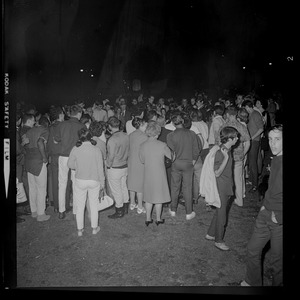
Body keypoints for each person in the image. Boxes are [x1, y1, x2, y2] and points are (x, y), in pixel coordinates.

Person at [241, 124, 282, 286]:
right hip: (266, 213)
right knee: (253, 249)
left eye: (277, 139)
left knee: (278, 262)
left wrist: (278, 216)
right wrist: (264, 206)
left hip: (278, 219)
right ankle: (253, 281)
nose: (273, 144)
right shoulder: (276, 159)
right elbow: (272, 188)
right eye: (270, 139)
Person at [205, 126, 240, 251]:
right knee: (222, 215)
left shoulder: (227, 149)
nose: (237, 138)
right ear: (229, 138)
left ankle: (210, 233)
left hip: (226, 185)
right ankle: (219, 241)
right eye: (235, 137)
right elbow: (217, 173)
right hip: (221, 187)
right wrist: (225, 159)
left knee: (220, 211)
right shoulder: (222, 153)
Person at [67, 128, 105, 236]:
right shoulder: (96, 149)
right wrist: (102, 183)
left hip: (80, 180)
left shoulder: (75, 149)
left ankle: (80, 230)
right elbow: (100, 169)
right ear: (90, 137)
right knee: (93, 205)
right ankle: (94, 228)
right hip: (94, 180)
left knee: (80, 206)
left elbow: (70, 165)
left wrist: (78, 167)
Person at [167, 113, 201, 220]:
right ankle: (188, 212)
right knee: (187, 188)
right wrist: (194, 160)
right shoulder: (191, 133)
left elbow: (170, 151)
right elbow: (196, 149)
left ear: (173, 123)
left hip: (176, 163)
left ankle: (173, 210)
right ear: (182, 121)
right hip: (188, 163)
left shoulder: (170, 135)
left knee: (175, 187)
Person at [54, 105, 86, 219]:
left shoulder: (62, 124)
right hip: (76, 157)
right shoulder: (82, 125)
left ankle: (61, 210)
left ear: (69, 113)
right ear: (79, 114)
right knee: (76, 183)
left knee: (62, 183)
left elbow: (56, 140)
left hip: (63, 156)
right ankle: (76, 210)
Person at [139, 121, 173, 226]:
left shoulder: (143, 145)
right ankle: (158, 219)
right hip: (159, 174)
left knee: (148, 197)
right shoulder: (162, 145)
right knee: (159, 197)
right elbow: (172, 157)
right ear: (157, 133)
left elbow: (142, 160)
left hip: (148, 173)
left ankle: (148, 219)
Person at [217, 106, 251, 207]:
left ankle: (223, 199)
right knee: (238, 179)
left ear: (227, 114)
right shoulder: (242, 127)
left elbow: (218, 142)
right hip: (238, 158)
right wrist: (243, 154)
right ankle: (239, 201)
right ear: (236, 114)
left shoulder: (223, 126)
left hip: (225, 157)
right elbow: (248, 143)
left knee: (225, 178)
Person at [24, 116, 50, 221]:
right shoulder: (44, 130)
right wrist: (44, 157)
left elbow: (24, 144)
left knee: (32, 188)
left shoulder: (29, 130)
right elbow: (40, 142)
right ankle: (41, 214)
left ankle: (34, 211)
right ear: (46, 124)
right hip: (38, 161)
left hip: (29, 161)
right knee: (41, 188)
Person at [106, 116, 130, 218]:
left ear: (110, 126)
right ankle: (125, 207)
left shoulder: (112, 139)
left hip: (115, 167)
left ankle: (119, 210)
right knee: (123, 187)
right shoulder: (126, 135)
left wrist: (108, 165)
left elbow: (110, 156)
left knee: (116, 190)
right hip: (125, 165)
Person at [242, 100, 264, 193]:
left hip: (254, 141)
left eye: (245, 108)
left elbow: (261, 129)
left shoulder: (255, 114)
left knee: (253, 162)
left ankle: (255, 184)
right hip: (251, 140)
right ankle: (251, 180)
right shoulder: (250, 114)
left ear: (248, 107)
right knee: (250, 162)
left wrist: (252, 137)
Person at [127, 117, 148, 213]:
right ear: (141, 125)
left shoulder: (131, 135)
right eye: (145, 125)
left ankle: (132, 203)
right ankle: (140, 206)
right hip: (140, 162)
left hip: (131, 161)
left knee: (132, 183)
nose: (146, 127)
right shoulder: (144, 136)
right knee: (140, 185)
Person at [47, 106, 65, 214]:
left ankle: (56, 205)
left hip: (53, 156)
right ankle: (63, 204)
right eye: (62, 114)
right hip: (62, 155)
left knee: (55, 180)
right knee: (63, 181)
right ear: (60, 115)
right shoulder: (63, 126)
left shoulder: (50, 127)